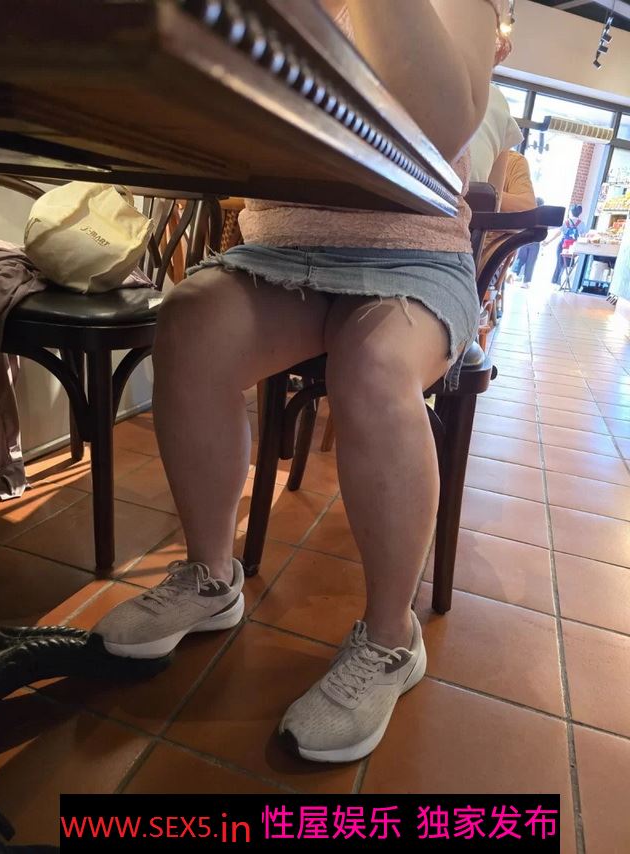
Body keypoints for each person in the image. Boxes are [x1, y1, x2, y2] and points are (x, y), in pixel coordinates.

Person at [95, 0, 507, 764]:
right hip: (281, 248)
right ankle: (211, 577)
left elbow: (441, 124)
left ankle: (392, 638)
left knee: (374, 367)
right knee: (190, 321)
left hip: (415, 253)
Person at [545, 204, 586, 286]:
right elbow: (583, 236)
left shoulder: (566, 222)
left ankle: (556, 281)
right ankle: (564, 282)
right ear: (579, 213)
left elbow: (558, 233)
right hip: (573, 246)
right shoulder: (582, 224)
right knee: (569, 264)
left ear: (571, 212)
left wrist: (548, 241)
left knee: (560, 263)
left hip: (563, 244)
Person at [511, 196, 544, 287]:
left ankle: (514, 274)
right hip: (535, 240)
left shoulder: (528, 212)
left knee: (520, 258)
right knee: (530, 262)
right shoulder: (542, 216)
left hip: (524, 238)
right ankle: (525, 282)